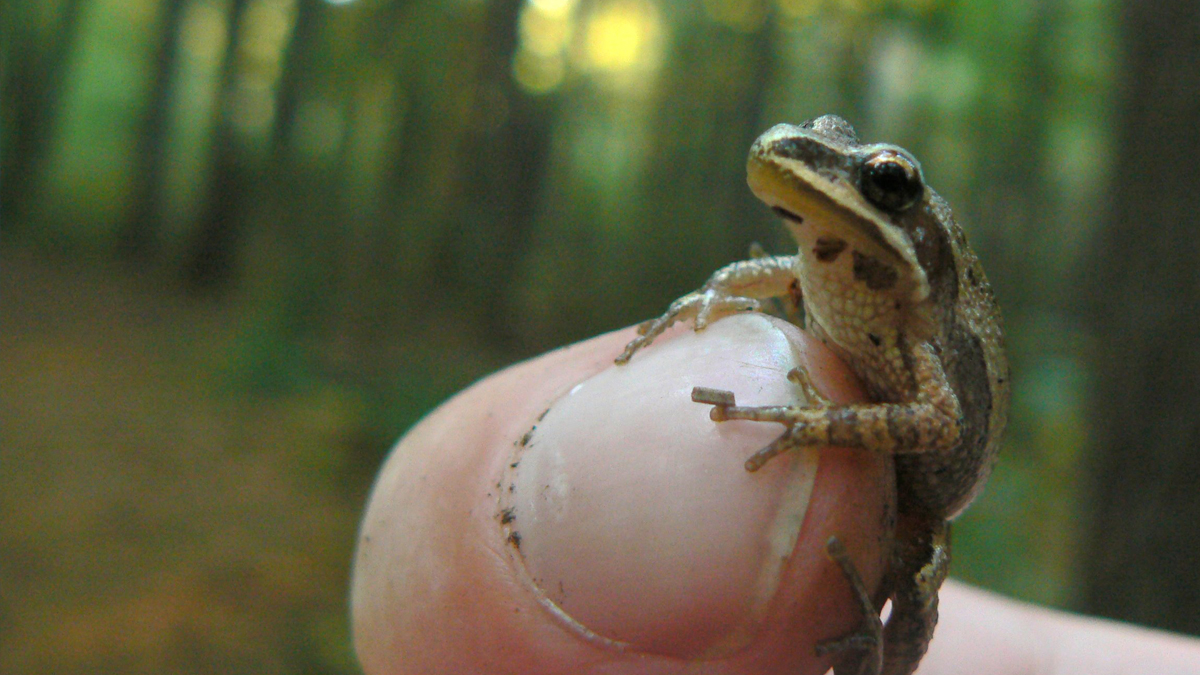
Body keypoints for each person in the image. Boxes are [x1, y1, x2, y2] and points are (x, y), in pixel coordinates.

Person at [351, 316, 1200, 675]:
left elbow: (943, 417)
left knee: (923, 576)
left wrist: (825, 423)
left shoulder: (912, 305)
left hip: (920, 506)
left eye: (883, 182)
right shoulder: (831, 262)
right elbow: (776, 276)